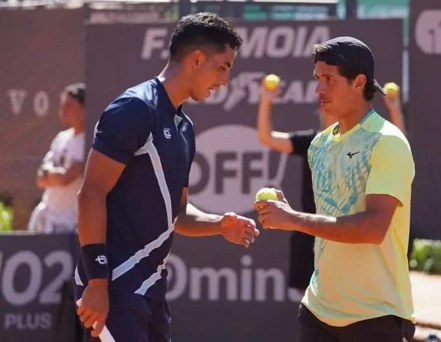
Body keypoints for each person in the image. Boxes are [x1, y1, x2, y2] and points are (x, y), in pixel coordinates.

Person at [74, 13, 260, 342]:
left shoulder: (185, 127)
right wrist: (97, 283)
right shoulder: (134, 108)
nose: (225, 80)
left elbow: (179, 214)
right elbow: (91, 194)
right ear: (197, 58)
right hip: (115, 283)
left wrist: (219, 224)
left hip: (152, 287)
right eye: (224, 67)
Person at [254, 36, 416, 341]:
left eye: (329, 79)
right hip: (318, 311)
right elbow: (334, 213)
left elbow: (372, 228)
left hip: (375, 315)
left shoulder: (388, 142)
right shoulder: (319, 144)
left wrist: (293, 219)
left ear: (359, 82)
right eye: (317, 78)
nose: (319, 89)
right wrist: (289, 210)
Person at [256, 80, 337, 293]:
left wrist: (394, 110)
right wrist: (266, 99)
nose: (324, 104)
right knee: (308, 302)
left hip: (341, 230)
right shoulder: (311, 141)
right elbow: (267, 138)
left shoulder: (356, 143)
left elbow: (397, 143)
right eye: (322, 101)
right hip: (307, 229)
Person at [28, 83, 86, 234]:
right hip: (47, 219)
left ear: (84, 109)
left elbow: (66, 178)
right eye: (63, 104)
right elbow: (40, 179)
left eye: (69, 105)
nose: (63, 110)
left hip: (72, 224)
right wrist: (56, 175)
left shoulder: (90, 141)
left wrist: (51, 175)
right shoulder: (61, 138)